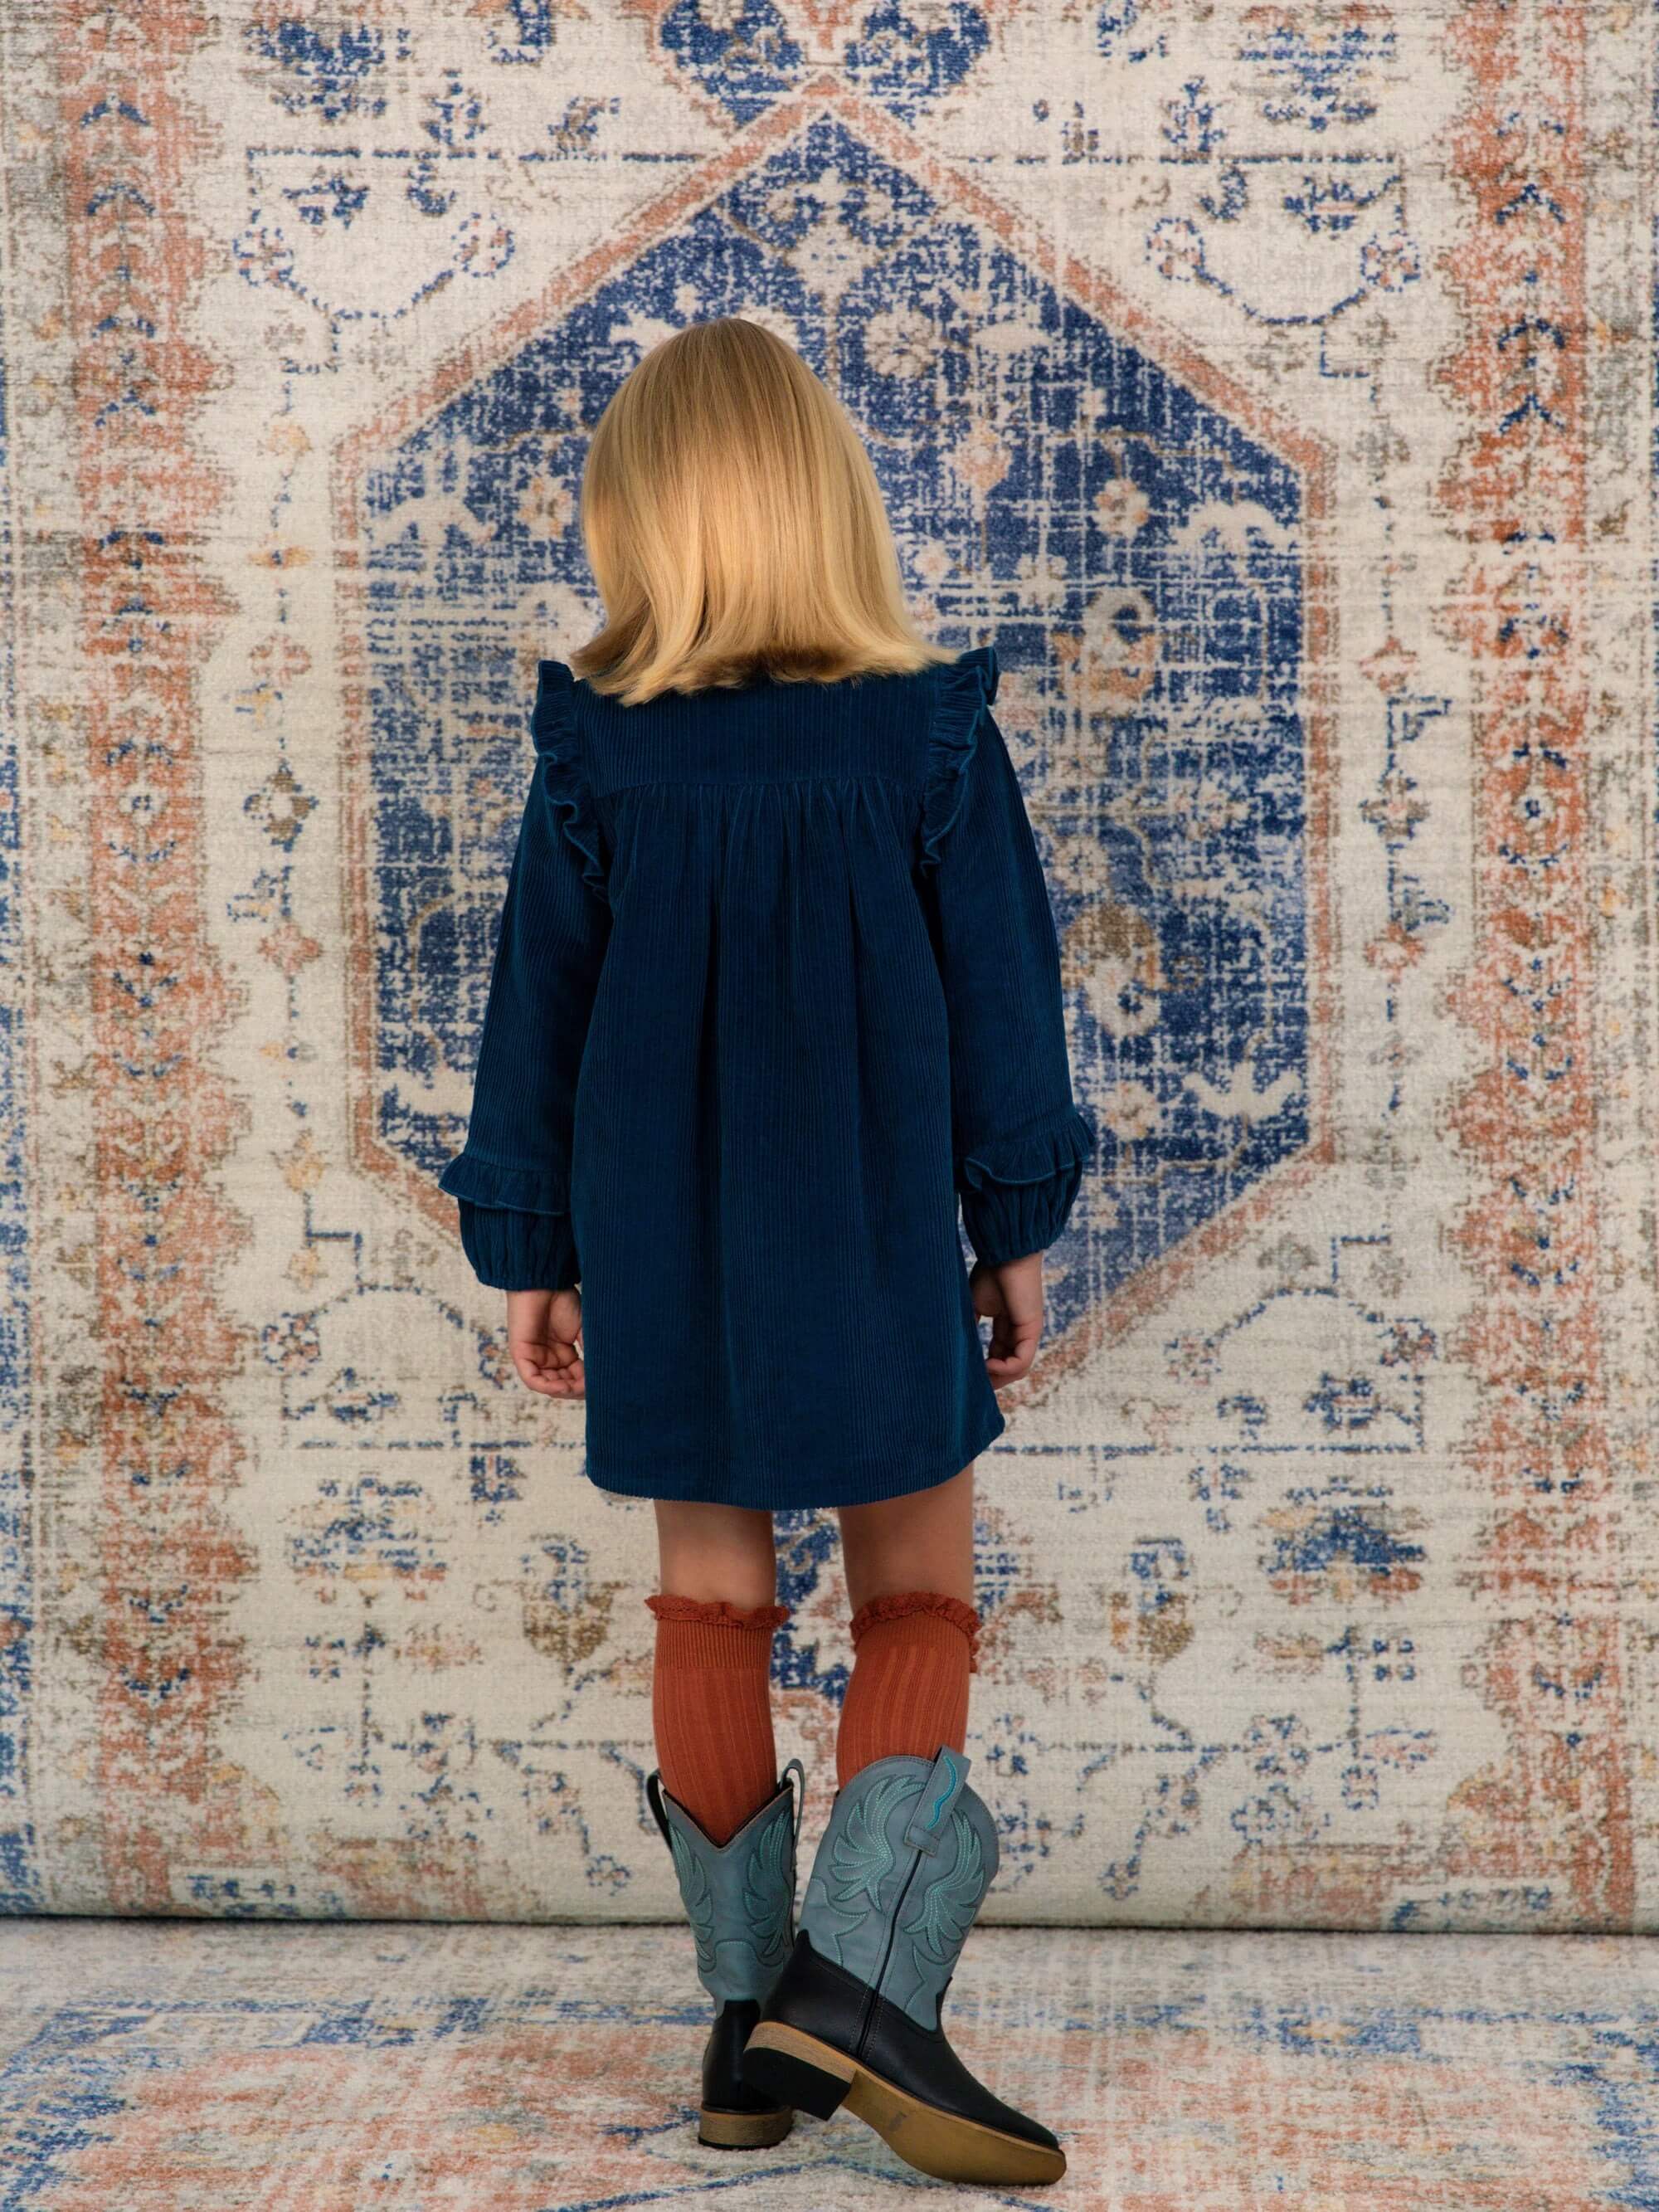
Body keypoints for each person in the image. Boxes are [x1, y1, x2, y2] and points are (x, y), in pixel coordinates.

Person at [438, 316, 1092, 2188]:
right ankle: (856, 1997)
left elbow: (535, 1016)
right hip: (873, 1218)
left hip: (662, 1237)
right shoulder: (931, 735)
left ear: (643, 523)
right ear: (827, 505)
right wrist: (1013, 1225)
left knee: (710, 1600)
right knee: (919, 1598)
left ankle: (746, 2030)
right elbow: (1004, 1003)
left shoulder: (595, 750)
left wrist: (535, 1246)